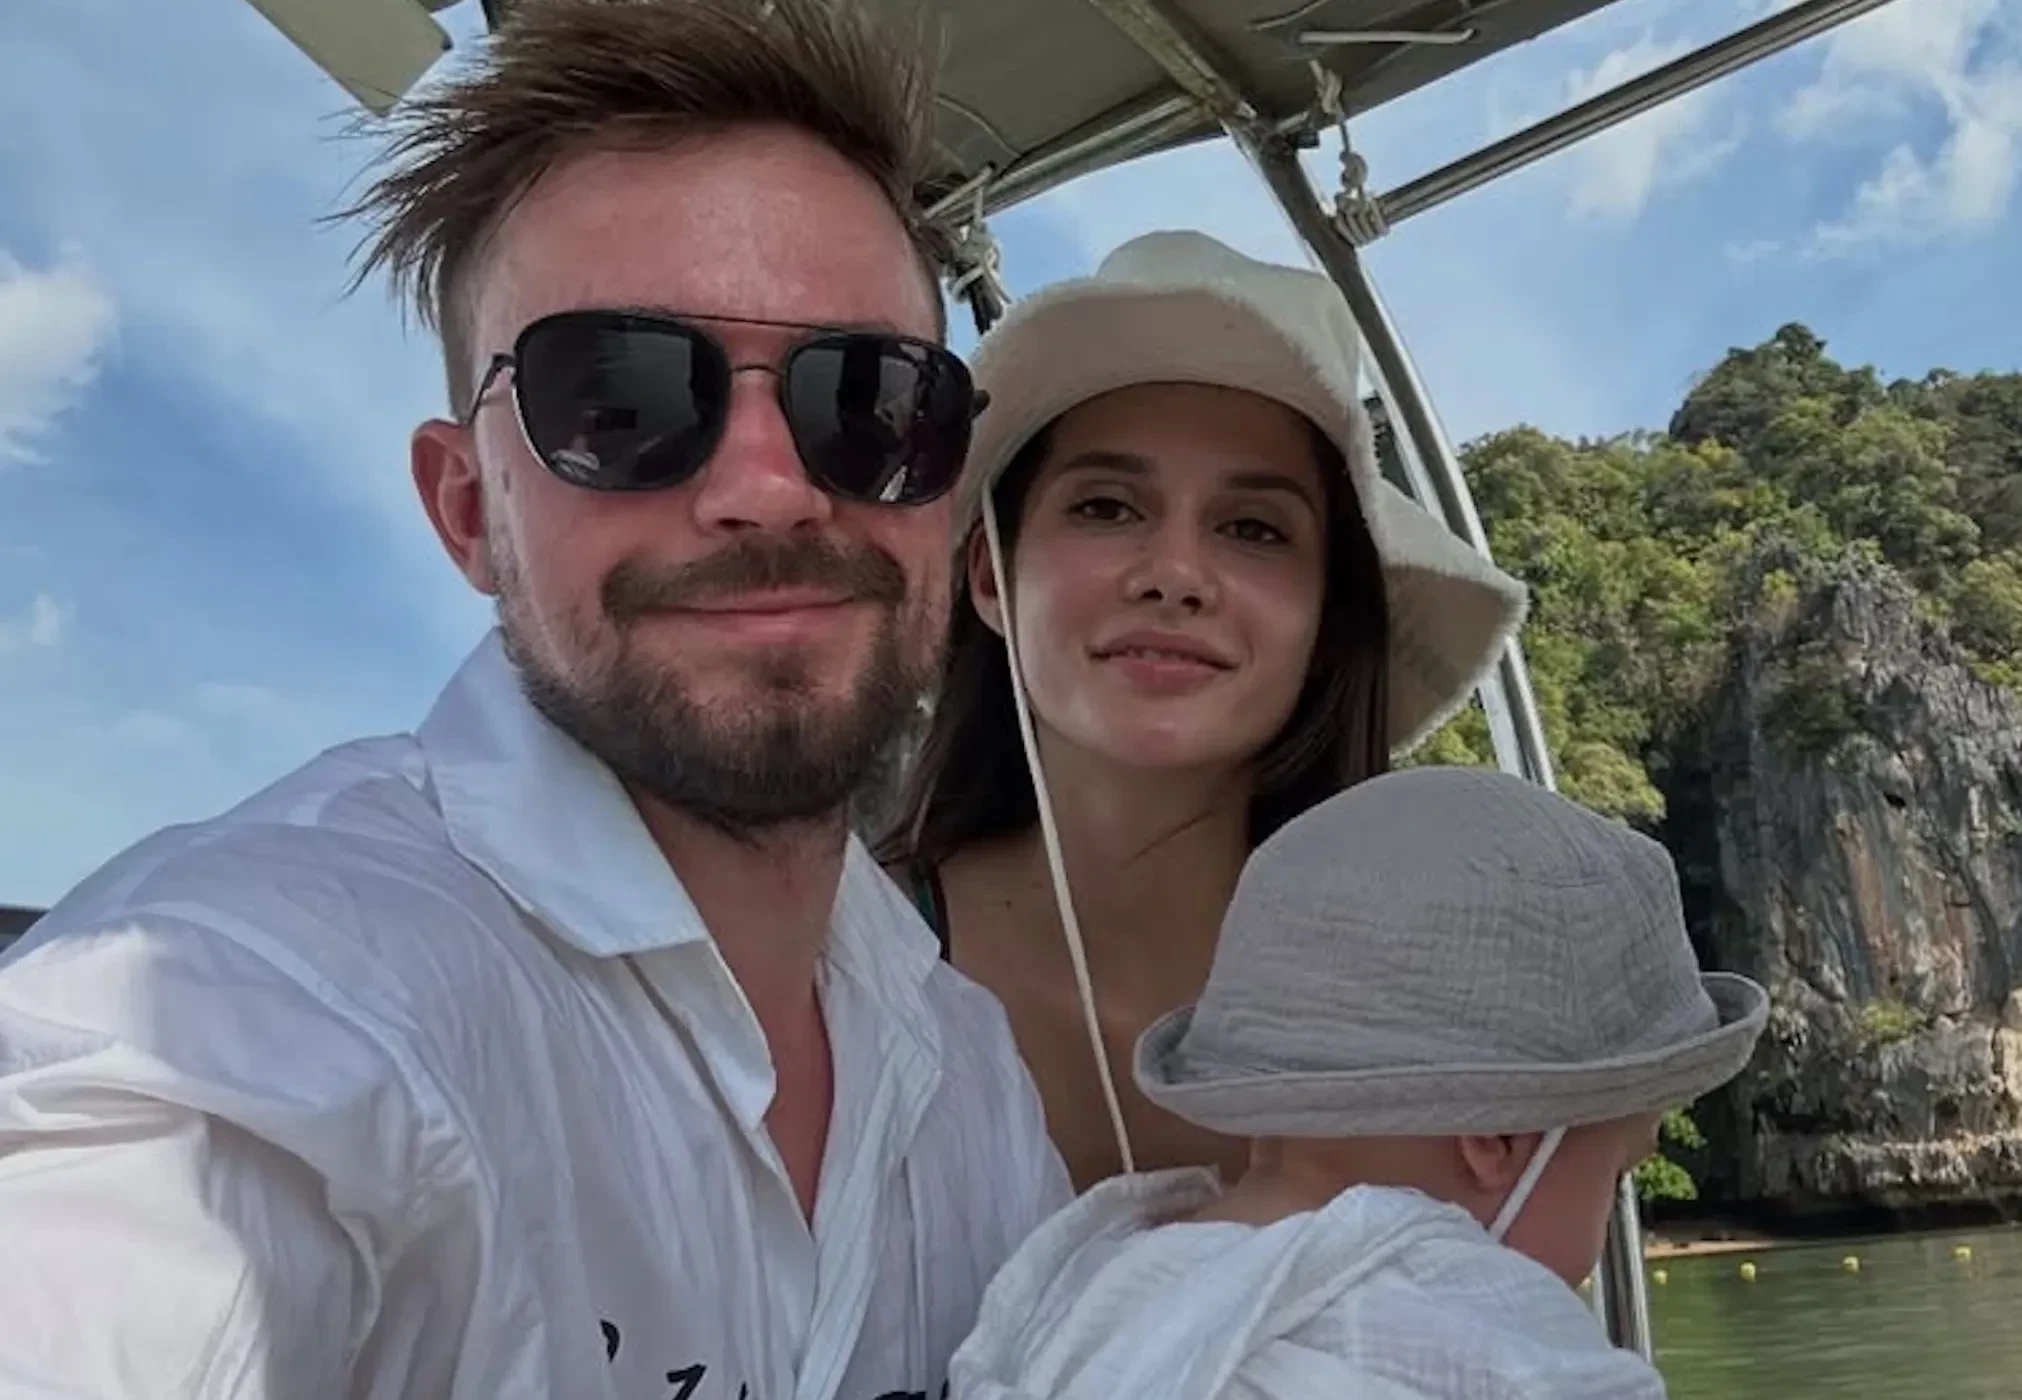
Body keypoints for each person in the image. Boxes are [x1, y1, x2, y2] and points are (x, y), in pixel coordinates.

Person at [0, 2, 1068, 1395]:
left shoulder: (970, 1077)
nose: (769, 488)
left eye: (870, 401)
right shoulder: (265, 1001)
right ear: (468, 509)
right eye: (618, 399)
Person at [878, 230, 1532, 1188]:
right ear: (988, 575)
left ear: (1327, 623)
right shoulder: (842, 962)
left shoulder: (1441, 1027)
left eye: (1254, 528)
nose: (1176, 574)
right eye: (1107, 507)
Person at [946, 765, 1772, 1400]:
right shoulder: (1488, 1335)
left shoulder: (1080, 1291)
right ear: (1498, 1138)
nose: (1596, 1250)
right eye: (1616, 1173)